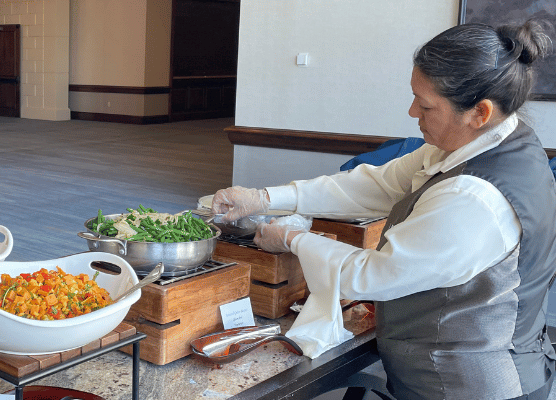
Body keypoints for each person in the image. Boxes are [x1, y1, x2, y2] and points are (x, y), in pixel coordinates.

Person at [212, 21, 555, 400]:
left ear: (480, 112)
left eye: (425, 105)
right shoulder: (490, 139)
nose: (412, 112)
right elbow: (375, 184)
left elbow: (375, 274)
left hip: (469, 383)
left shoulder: (475, 197)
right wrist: (262, 198)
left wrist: (292, 238)